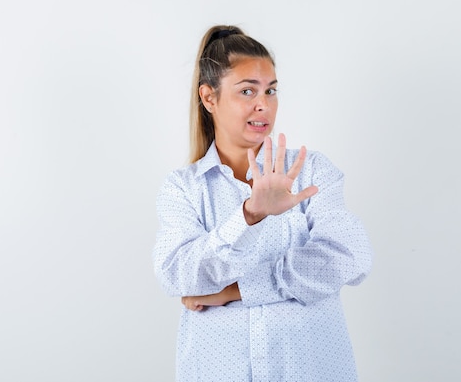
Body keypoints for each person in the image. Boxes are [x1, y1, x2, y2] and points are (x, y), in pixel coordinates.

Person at [153, 24, 373, 382]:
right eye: (247, 91)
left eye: (271, 91)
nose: (263, 104)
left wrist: (235, 291)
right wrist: (249, 215)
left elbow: (351, 257)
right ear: (209, 98)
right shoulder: (184, 188)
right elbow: (177, 275)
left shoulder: (312, 171)